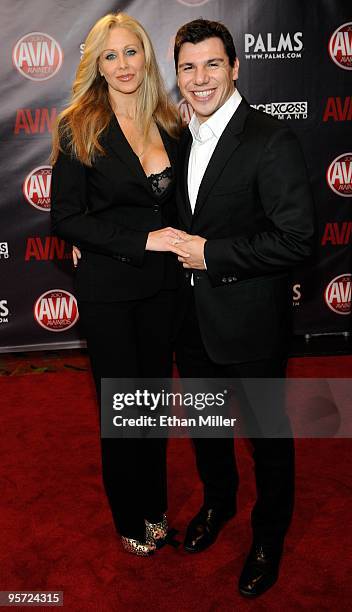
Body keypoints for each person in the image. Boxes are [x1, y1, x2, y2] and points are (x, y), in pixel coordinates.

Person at [170, 19, 314, 597]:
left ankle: (268, 534)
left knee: (265, 434)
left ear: (234, 68)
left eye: (211, 65)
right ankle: (218, 504)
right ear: (176, 74)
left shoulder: (270, 139)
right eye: (187, 67)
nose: (200, 78)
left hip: (251, 322)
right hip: (191, 321)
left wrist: (213, 255)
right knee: (206, 427)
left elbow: (298, 238)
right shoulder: (178, 138)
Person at [50, 12, 184, 556]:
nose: (124, 65)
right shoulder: (77, 124)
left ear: (145, 57)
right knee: (125, 407)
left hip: (164, 289)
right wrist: (140, 240)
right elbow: (66, 217)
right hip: (109, 289)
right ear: (97, 66)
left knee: (155, 403)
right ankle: (130, 515)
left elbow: (181, 203)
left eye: (132, 52)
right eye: (111, 55)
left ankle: (156, 507)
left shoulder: (170, 120)